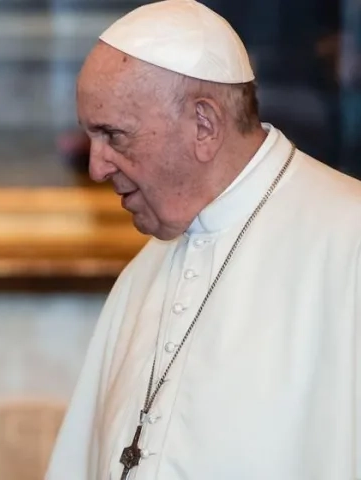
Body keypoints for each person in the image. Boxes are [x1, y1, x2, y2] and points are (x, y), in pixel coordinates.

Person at [45, 1, 361, 479]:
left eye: (114, 135)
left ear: (204, 125)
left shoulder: (348, 241)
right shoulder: (146, 270)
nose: (97, 167)